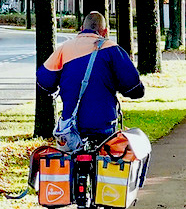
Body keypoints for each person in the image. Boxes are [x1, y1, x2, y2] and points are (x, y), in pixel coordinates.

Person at [37, 11, 144, 140]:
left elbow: (44, 83)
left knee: (70, 158)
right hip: (104, 123)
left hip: (71, 125)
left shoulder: (64, 49)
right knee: (106, 157)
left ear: (82, 29)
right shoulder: (113, 50)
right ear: (104, 31)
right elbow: (133, 87)